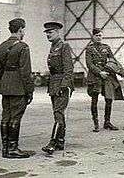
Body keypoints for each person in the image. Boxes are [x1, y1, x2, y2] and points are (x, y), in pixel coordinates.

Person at [0, 18, 34, 158]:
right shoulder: (23, 47)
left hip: (5, 86)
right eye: (23, 29)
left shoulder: (1, 46)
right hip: (18, 86)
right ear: (20, 30)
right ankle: (13, 148)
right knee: (16, 117)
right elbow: (25, 72)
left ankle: (5, 148)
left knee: (5, 116)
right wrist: (29, 90)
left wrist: (2, 84)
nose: (23, 32)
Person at [41, 22, 74, 155]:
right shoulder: (53, 46)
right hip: (54, 83)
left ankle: (53, 142)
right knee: (58, 112)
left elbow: (68, 68)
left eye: (51, 32)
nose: (48, 35)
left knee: (58, 112)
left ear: (58, 32)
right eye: (47, 33)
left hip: (61, 84)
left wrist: (64, 85)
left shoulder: (64, 46)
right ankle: (60, 140)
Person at [85, 28, 124, 132]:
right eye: (97, 35)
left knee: (109, 99)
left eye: (100, 35)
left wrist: (118, 70)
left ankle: (107, 122)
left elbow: (112, 59)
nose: (99, 37)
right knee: (94, 101)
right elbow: (89, 64)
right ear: (93, 37)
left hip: (107, 76)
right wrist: (99, 72)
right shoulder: (89, 48)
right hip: (95, 77)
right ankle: (96, 123)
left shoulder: (106, 47)